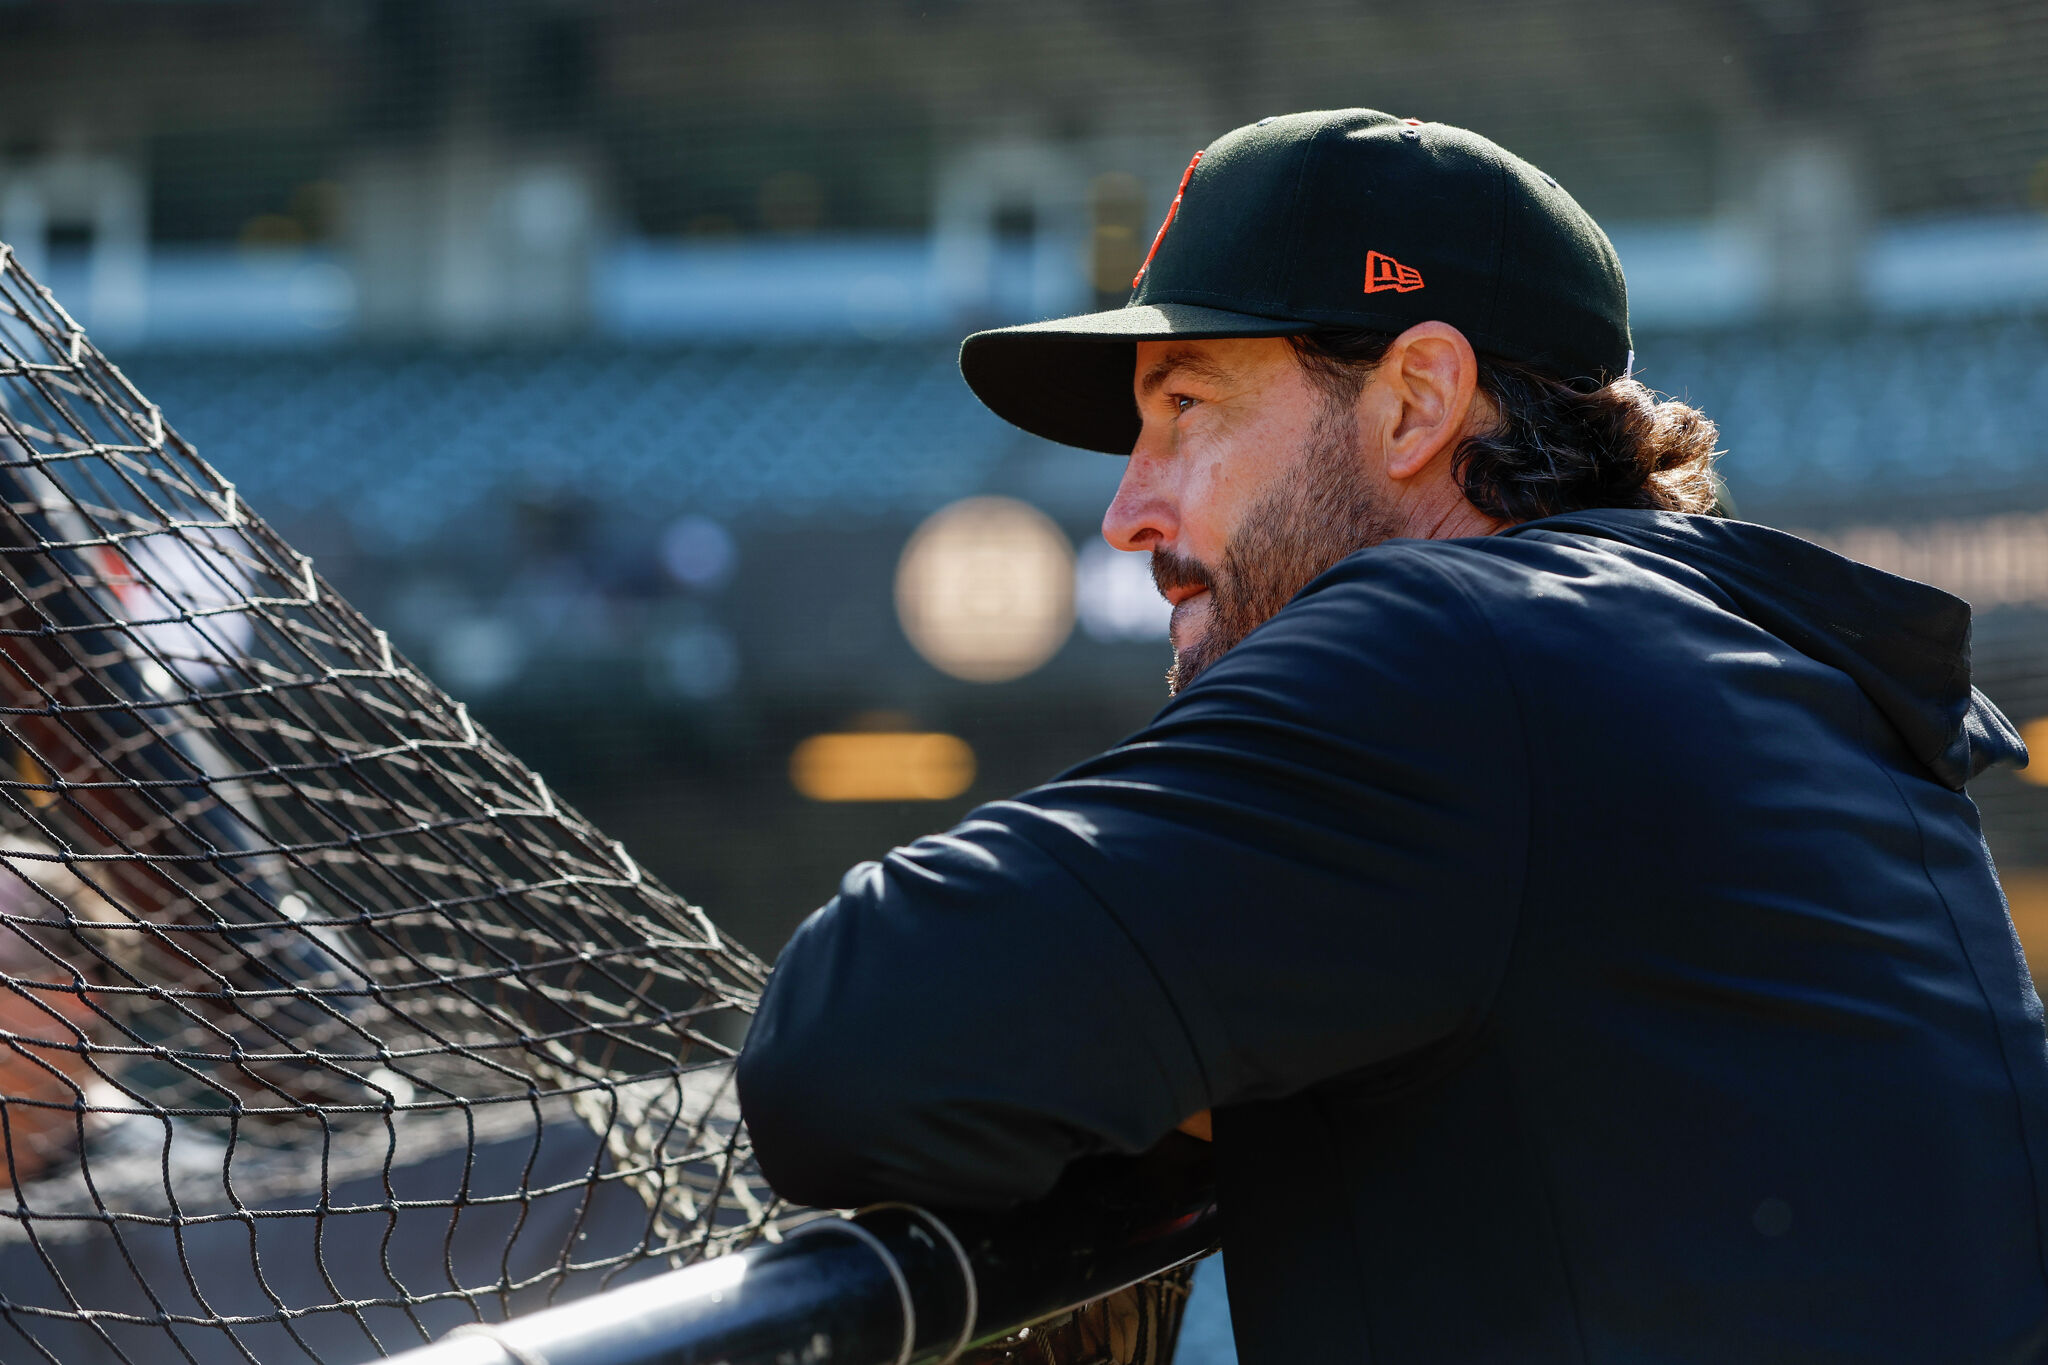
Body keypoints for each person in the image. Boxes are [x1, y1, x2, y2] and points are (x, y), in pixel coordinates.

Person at [736, 109, 2048, 1363]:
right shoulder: (1753, 659)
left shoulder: (1461, 649)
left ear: (1417, 403)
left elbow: (844, 1045)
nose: (1128, 511)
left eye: (1184, 409)